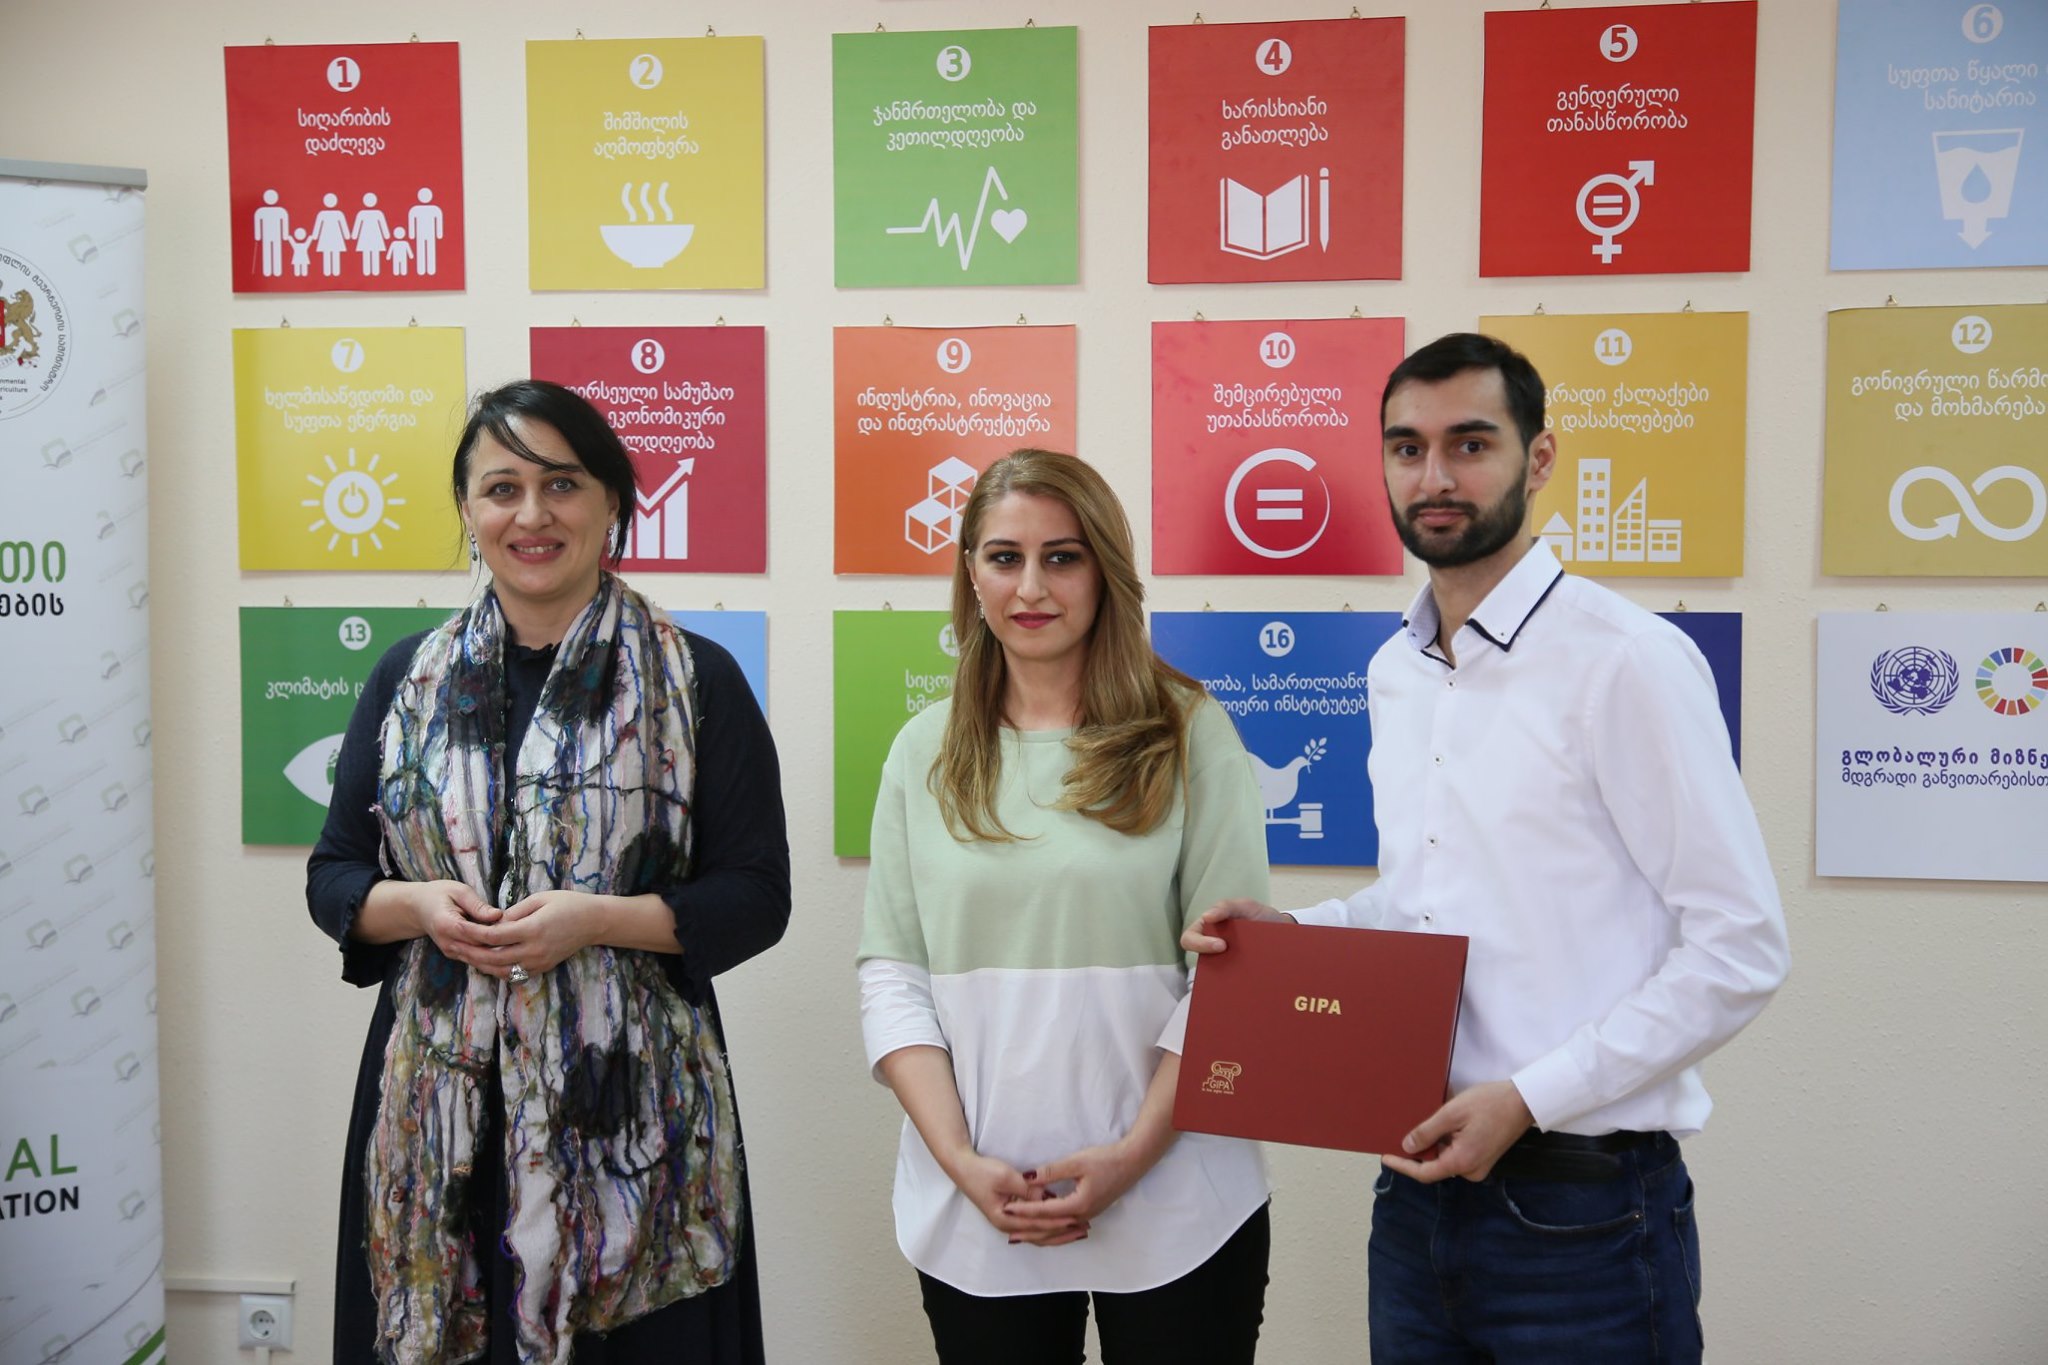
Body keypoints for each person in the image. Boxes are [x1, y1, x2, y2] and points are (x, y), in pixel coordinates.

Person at [1185, 333, 1789, 1364]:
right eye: (1406, 448)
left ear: (1538, 457)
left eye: (1469, 444)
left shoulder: (1627, 661)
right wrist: (1293, 932)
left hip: (1584, 1213)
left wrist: (1527, 1099)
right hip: (1413, 1195)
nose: (1434, 477)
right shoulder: (1396, 669)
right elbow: (1425, 899)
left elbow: (1741, 947)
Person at [306, 379, 789, 1365]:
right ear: (468, 510)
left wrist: (597, 920)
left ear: (613, 502)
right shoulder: (407, 678)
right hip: (441, 1130)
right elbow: (335, 877)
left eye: (562, 484)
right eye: (502, 489)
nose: (532, 515)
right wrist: (417, 905)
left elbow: (755, 896)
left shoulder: (696, 679)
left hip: (633, 1129)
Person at [859, 450, 1274, 1364]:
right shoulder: (923, 750)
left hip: (1179, 1201)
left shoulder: (1191, 731)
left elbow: (1232, 978)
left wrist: (1132, 1156)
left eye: (1063, 556)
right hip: (981, 1209)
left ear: (1105, 570)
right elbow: (893, 979)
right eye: (1005, 557)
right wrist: (961, 1162)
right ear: (971, 573)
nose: (1032, 587)